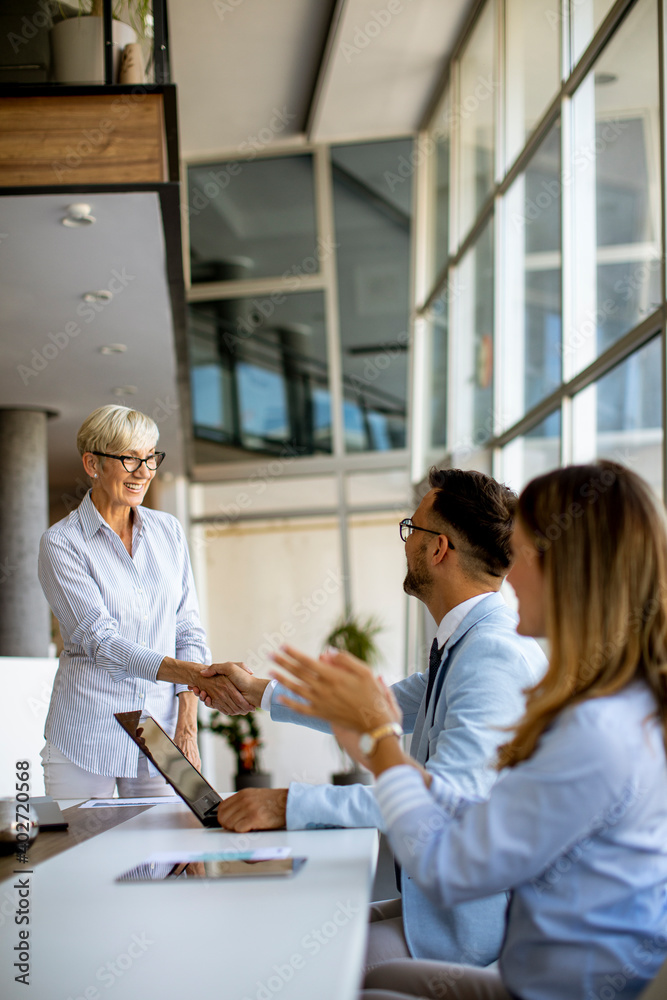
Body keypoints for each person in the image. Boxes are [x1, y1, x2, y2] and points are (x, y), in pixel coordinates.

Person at [270, 460, 667, 1000]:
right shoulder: (616, 703)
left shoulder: (592, 728)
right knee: (360, 970)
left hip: (547, 985)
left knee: (334, 978)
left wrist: (381, 744)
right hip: (540, 971)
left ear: (567, 569)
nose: (506, 571)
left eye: (521, 552)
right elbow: (474, 802)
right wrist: (368, 735)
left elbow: (449, 865)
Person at [192, 469, 547, 969]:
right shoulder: (471, 641)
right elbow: (382, 705)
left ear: (438, 548)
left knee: (313, 962)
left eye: (411, 530)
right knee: (303, 929)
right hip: (439, 907)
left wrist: (288, 804)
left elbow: (443, 798)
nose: (405, 544)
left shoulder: (493, 655)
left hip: (470, 933)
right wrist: (260, 694)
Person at [38, 404, 252, 799]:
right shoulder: (62, 544)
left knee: (174, 854)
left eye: (151, 457)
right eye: (129, 458)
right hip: (87, 733)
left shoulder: (168, 531)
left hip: (164, 733)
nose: (144, 471)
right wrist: (193, 674)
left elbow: (187, 629)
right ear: (92, 463)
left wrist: (188, 727)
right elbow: (101, 643)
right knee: (88, 858)